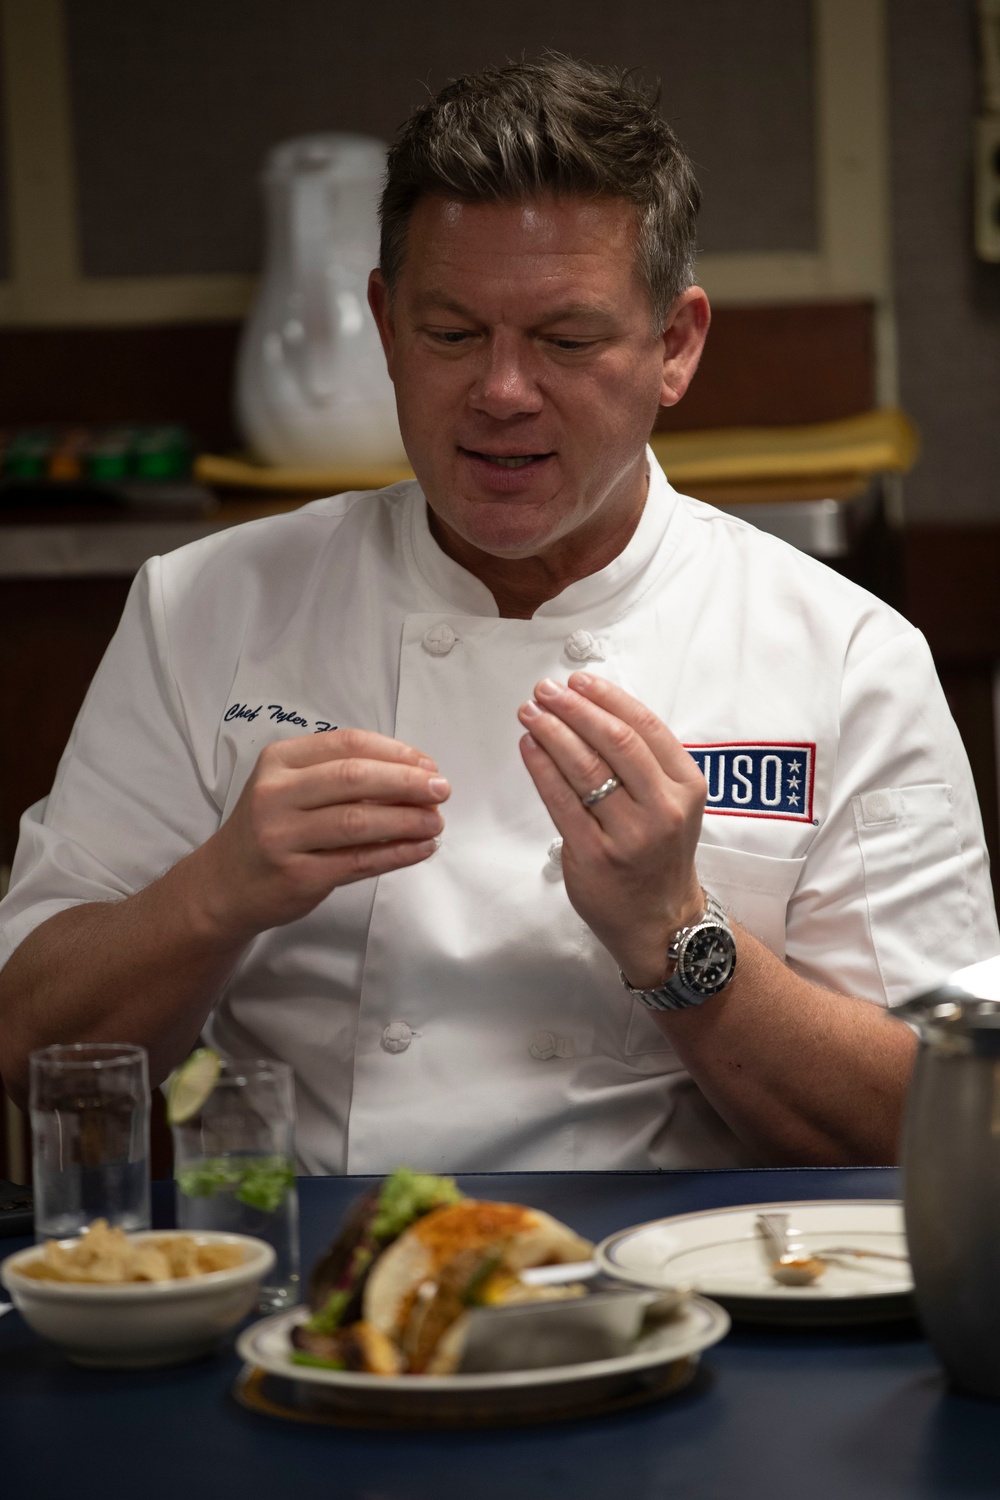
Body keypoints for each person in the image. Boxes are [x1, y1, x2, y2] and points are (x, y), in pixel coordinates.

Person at [0, 58, 996, 1173]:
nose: (502, 391)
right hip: (312, 1281)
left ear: (675, 347)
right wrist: (214, 894)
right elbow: (29, 1039)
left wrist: (675, 936)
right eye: (452, 333)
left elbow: (940, 1121)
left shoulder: (848, 655)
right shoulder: (207, 606)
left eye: (566, 341)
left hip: (690, 1287)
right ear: (384, 325)